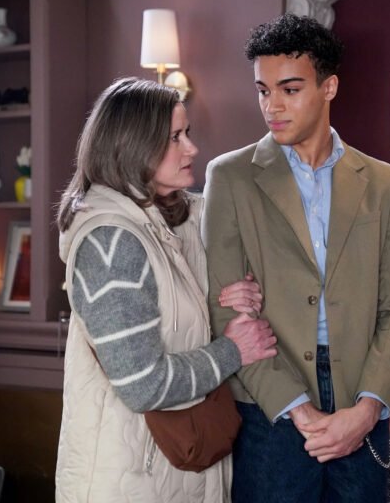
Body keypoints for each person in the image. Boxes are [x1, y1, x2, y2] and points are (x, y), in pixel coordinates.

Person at [202, 14, 390, 503]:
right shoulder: (230, 177)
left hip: (361, 400)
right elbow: (226, 311)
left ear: (329, 87)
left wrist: (367, 409)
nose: (272, 105)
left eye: (290, 89)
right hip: (269, 405)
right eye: (263, 90)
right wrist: (298, 410)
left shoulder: (382, 181)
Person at [54, 77, 279, 502]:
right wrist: (233, 350)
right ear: (131, 145)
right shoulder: (111, 243)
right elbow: (143, 384)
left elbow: (188, 302)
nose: (191, 148)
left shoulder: (174, 218)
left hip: (178, 473)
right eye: (175, 137)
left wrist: (229, 291)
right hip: (130, 482)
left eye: (187, 133)